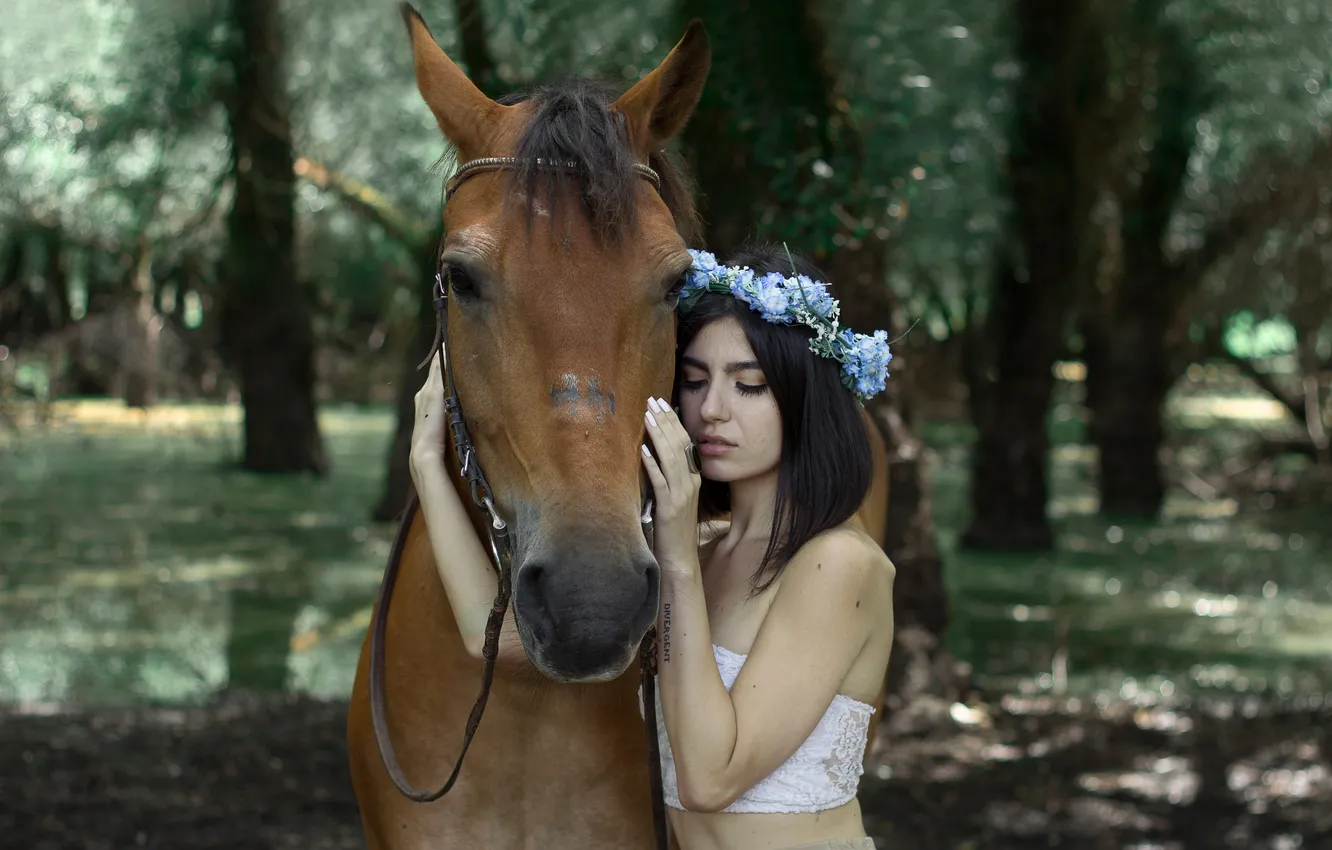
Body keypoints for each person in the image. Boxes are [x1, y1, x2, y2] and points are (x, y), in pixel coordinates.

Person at [409, 242, 896, 850]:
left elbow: (710, 779)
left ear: (804, 400)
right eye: (693, 382)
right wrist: (428, 465)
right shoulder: (708, 548)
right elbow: (507, 642)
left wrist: (677, 560)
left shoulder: (835, 564)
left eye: (749, 386)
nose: (712, 410)